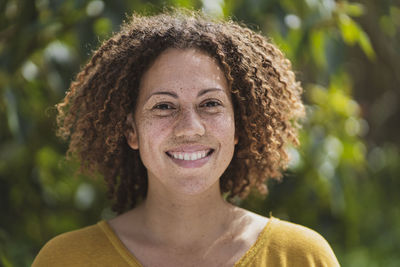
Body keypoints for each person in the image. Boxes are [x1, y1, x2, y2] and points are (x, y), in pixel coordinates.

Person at [32, 9, 340, 267]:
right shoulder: (65, 259)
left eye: (210, 104)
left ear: (238, 127)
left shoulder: (301, 256)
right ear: (131, 131)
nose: (190, 127)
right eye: (164, 106)